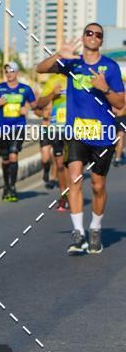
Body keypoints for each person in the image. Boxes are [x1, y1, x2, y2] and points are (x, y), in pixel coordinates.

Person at [36, 24, 125, 254]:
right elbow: (40, 69)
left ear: (101, 41)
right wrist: (59, 54)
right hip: (76, 133)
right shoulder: (72, 64)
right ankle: (79, 235)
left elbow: (121, 104)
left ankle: (95, 227)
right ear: (83, 38)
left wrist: (105, 89)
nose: (93, 37)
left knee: (98, 185)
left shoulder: (111, 67)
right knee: (74, 179)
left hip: (102, 134)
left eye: (98, 35)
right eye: (89, 33)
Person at [0, 61, 36, 202]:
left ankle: (12, 187)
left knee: (14, 156)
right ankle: (6, 185)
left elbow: (35, 104)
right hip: (3, 128)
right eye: (7, 71)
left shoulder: (25, 89)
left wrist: (27, 108)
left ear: (17, 73)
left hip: (18, 127)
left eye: (12, 71)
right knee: (5, 159)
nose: (9, 74)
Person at [36, 72, 69, 211]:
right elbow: (39, 106)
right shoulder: (53, 82)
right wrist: (52, 96)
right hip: (52, 128)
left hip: (75, 127)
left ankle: (70, 194)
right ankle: (64, 196)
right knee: (59, 163)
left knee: (71, 165)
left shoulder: (79, 78)